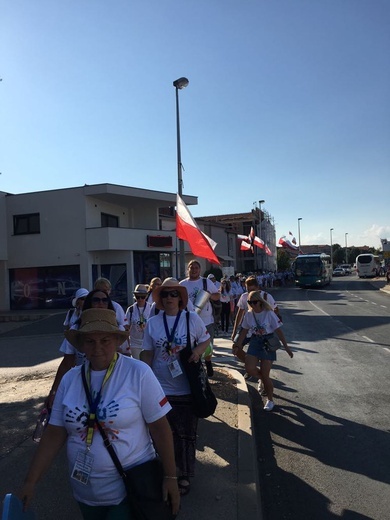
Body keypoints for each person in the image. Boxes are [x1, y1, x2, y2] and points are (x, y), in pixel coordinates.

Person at [20, 308, 180, 518]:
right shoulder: (70, 379)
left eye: (105, 340)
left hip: (130, 490)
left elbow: (160, 428)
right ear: (81, 343)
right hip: (85, 495)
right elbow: (54, 433)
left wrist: (170, 477)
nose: (97, 348)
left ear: (116, 340)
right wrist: (30, 481)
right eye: (90, 341)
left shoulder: (138, 373)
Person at [141, 278, 210, 496]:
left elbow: (206, 339)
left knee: (186, 435)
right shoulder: (153, 323)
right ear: (160, 299)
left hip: (187, 388)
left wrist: (198, 352)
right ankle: (169, 472)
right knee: (162, 435)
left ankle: (184, 475)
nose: (169, 297)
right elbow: (147, 352)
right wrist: (143, 378)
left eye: (173, 294)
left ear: (180, 298)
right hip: (160, 388)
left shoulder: (191, 319)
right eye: (165, 294)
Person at [45, 290, 128, 409]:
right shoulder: (77, 330)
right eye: (96, 300)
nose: (101, 303)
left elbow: (126, 356)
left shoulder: (118, 330)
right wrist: (54, 391)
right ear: (89, 304)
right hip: (84, 382)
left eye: (105, 300)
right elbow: (67, 362)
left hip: (114, 383)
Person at [233, 291, 293, 412]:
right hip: (255, 341)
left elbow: (278, 331)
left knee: (266, 375)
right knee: (249, 367)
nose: (252, 304)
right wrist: (237, 345)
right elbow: (244, 331)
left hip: (268, 342)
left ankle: (270, 399)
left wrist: (286, 347)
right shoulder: (249, 315)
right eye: (250, 302)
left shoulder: (269, 313)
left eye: (254, 302)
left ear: (260, 302)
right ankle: (264, 379)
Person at [179, 260, 219, 377]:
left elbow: (217, 296)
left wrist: (207, 295)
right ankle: (198, 367)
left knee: (208, 345)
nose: (194, 270)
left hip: (206, 320)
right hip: (189, 320)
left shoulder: (206, 282)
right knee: (192, 345)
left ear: (200, 269)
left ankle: (208, 361)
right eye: (192, 268)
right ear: (188, 269)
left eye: (196, 268)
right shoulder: (182, 284)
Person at [125, 284, 152, 359]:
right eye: (138, 297)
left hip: (147, 342)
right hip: (134, 343)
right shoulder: (131, 310)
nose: (140, 299)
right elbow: (126, 327)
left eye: (142, 297)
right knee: (137, 363)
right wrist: (127, 345)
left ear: (146, 296)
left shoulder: (151, 308)